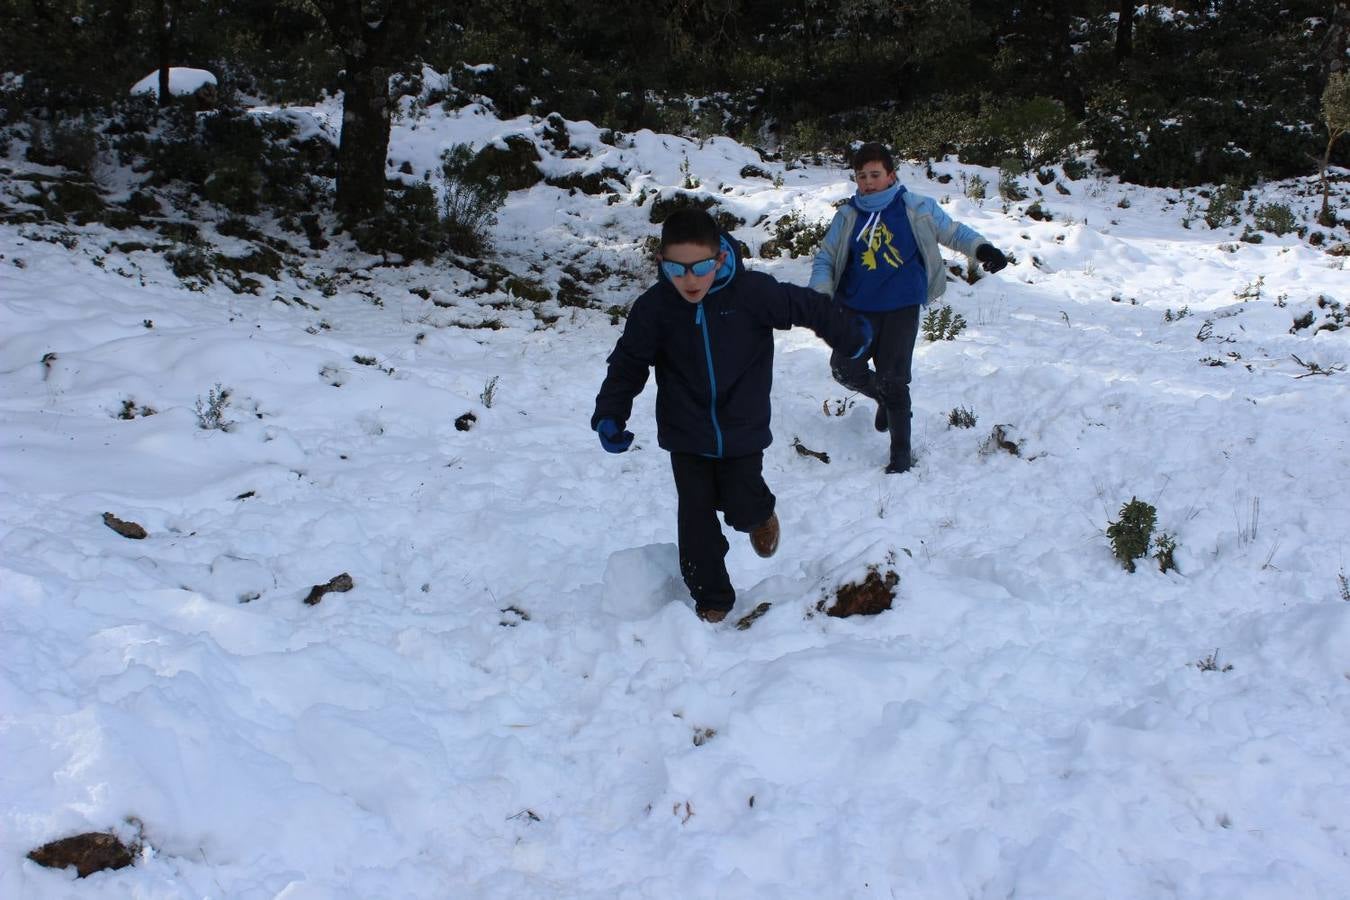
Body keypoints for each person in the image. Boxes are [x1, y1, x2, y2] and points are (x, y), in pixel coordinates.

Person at [592, 209, 871, 623]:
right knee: (695, 520)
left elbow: (806, 306)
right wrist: (610, 413)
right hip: (685, 433)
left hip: (743, 426)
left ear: (719, 259)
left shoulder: (751, 293)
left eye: (700, 267)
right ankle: (713, 600)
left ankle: (759, 514)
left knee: (741, 503)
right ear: (661, 263)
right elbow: (629, 361)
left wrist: (847, 333)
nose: (689, 279)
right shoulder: (655, 309)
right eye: (677, 268)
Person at [809, 142, 1009, 474]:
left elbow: (953, 232)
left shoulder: (916, 207)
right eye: (862, 176)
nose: (869, 182)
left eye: (875, 174)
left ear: (891, 175)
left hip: (901, 307)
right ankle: (881, 399)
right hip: (856, 308)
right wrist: (820, 294)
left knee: (894, 379)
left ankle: (900, 453)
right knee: (845, 369)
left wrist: (982, 248)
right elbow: (826, 258)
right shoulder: (847, 216)